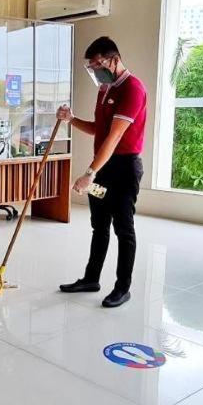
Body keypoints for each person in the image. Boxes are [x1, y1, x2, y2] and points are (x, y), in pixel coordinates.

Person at [57, 36, 147, 308]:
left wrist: (89, 173)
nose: (95, 71)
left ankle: (122, 288)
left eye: (98, 64)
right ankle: (91, 278)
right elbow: (99, 129)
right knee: (99, 224)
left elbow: (115, 136)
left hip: (124, 170)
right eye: (91, 67)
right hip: (103, 169)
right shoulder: (105, 89)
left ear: (114, 60)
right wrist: (72, 120)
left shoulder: (133, 89)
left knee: (123, 228)